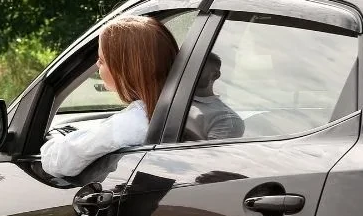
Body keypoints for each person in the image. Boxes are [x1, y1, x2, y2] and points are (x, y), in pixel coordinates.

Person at [40, 15, 179, 178]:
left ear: (125, 70)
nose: (97, 65)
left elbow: (59, 161)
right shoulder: (183, 110)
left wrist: (48, 146)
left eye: (102, 60)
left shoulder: (132, 123)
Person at [184, 53, 245, 141]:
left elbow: (208, 153)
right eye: (188, 67)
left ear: (215, 75)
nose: (189, 71)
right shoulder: (171, 99)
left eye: (198, 67)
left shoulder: (226, 119)